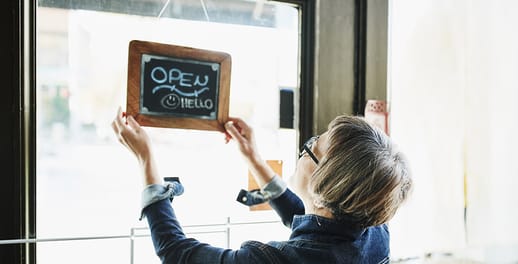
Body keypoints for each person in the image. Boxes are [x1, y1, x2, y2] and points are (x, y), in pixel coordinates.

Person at [111, 107, 412, 264]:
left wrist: (145, 158)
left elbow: (177, 254)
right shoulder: (373, 231)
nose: (302, 151)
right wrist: (254, 158)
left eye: (311, 147)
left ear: (324, 186)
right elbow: (313, 222)